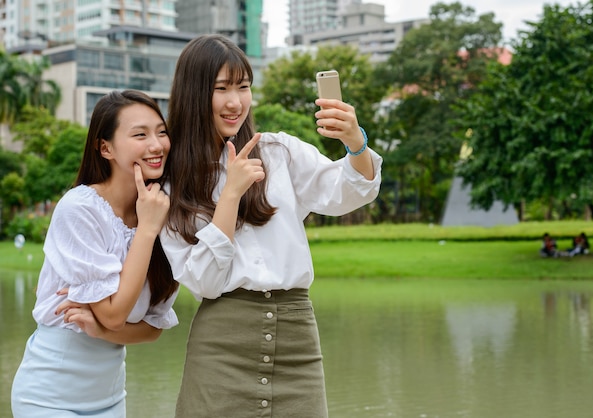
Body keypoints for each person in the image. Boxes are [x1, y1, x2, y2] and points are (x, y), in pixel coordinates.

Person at [160, 34, 382, 418]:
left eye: (243, 87)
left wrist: (355, 141)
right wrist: (230, 194)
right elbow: (205, 282)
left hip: (297, 340)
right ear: (194, 93)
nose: (236, 102)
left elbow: (348, 190)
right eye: (221, 88)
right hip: (221, 346)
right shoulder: (171, 182)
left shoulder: (279, 152)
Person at [11, 90, 179, 417]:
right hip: (49, 397)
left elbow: (152, 328)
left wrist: (103, 330)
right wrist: (146, 230)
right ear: (106, 148)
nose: (157, 145)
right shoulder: (80, 208)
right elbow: (116, 314)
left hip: (110, 398)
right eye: (140, 134)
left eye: (161, 132)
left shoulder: (161, 208)